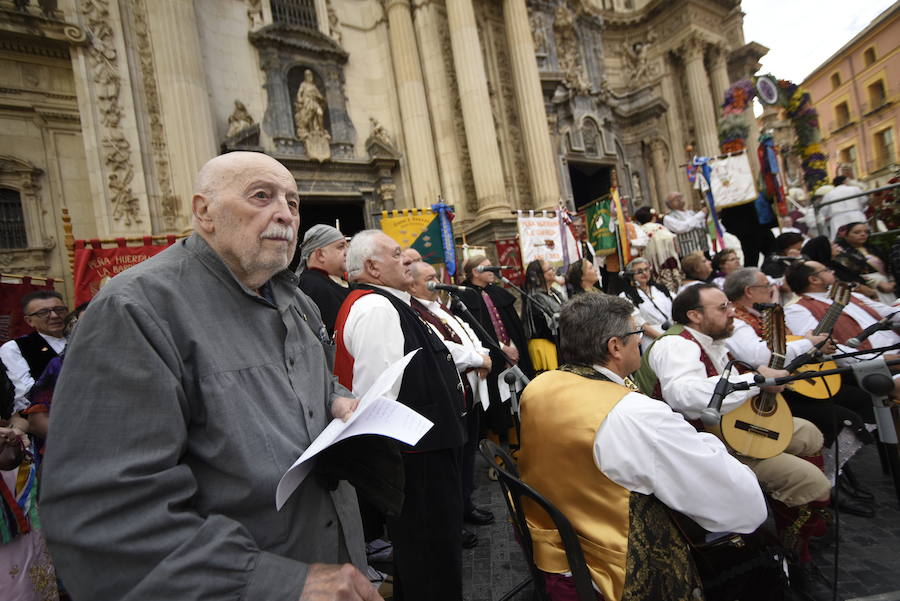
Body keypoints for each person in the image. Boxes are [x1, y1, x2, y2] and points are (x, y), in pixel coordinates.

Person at [40, 152, 376, 600]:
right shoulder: (137, 310)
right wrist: (279, 583)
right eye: (262, 196)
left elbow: (310, 380)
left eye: (293, 203)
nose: (284, 213)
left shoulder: (295, 299)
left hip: (336, 555)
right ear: (204, 212)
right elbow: (105, 517)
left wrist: (336, 398)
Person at [517, 293, 766, 600]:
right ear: (615, 347)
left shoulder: (539, 386)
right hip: (612, 567)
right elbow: (742, 506)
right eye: (636, 334)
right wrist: (709, 443)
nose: (640, 341)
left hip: (556, 542)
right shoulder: (633, 414)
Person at [638, 284, 832, 585]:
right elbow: (683, 395)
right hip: (703, 444)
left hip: (729, 428)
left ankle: (794, 517)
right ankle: (795, 552)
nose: (732, 313)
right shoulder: (676, 344)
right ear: (694, 315)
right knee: (813, 482)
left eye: (729, 305)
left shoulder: (711, 340)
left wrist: (760, 376)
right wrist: (756, 380)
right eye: (723, 308)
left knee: (808, 434)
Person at [335, 229, 466, 601]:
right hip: (417, 460)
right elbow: (377, 396)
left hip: (421, 454)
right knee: (432, 561)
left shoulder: (385, 303)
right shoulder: (377, 308)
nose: (406, 260)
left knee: (423, 561)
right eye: (397, 255)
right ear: (373, 266)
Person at [724, 268, 875, 516]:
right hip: (770, 393)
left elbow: (786, 347)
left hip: (790, 382)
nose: (773, 290)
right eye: (766, 286)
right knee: (840, 417)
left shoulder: (763, 313)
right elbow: (760, 356)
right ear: (750, 292)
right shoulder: (737, 320)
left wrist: (812, 348)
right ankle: (827, 481)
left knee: (860, 397)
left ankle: (833, 475)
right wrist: (809, 343)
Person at [406, 260, 494, 545]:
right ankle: (452, 521)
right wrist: (478, 359)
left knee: (468, 454)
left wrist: (482, 353)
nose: (437, 281)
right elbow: (445, 349)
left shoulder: (440, 307)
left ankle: (466, 504)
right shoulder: (413, 311)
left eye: (437, 276)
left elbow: (469, 333)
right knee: (452, 463)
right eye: (430, 278)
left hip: (471, 389)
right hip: (451, 394)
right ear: (413, 284)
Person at [458, 255, 534, 442]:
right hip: (493, 359)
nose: (493, 271)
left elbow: (511, 324)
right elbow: (473, 331)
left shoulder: (497, 292)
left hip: (513, 355)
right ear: (475, 272)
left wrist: (513, 345)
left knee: (517, 399)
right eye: (487, 268)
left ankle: (522, 442)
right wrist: (502, 348)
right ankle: (501, 449)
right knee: (497, 406)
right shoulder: (463, 296)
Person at [0, 291, 68, 416]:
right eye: (43, 313)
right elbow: (26, 392)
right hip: (49, 415)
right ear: (29, 321)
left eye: (59, 309)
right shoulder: (15, 348)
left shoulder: (82, 339)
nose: (54, 316)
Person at [296, 223, 350, 336]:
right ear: (320, 255)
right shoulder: (312, 285)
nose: (347, 252)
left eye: (347, 246)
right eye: (341, 247)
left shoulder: (333, 281)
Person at [834, 222, 895, 304]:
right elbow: (849, 274)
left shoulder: (875, 248)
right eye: (857, 232)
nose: (863, 234)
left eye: (866, 232)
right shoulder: (841, 253)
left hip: (887, 283)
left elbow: (889, 265)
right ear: (845, 235)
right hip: (867, 287)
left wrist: (892, 282)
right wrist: (877, 283)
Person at [619, 257, 672, 352]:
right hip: (652, 339)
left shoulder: (660, 289)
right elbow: (640, 323)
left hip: (673, 331)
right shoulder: (626, 296)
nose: (644, 273)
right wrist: (663, 338)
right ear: (631, 275)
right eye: (639, 271)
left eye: (646, 269)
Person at [522, 259, 564, 372]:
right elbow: (544, 327)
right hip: (546, 346)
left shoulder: (554, 292)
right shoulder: (535, 297)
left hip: (559, 342)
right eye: (549, 268)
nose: (553, 270)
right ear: (539, 276)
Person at [634, 205, 681, 292]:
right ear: (653, 217)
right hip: (668, 262)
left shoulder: (639, 231)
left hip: (651, 266)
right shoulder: (660, 227)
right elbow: (675, 245)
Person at [662, 191, 708, 258]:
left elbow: (702, 227)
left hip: (703, 249)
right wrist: (701, 214)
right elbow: (682, 227)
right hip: (688, 253)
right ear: (669, 204)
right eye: (675, 198)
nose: (679, 199)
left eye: (680, 197)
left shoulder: (691, 213)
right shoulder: (668, 217)